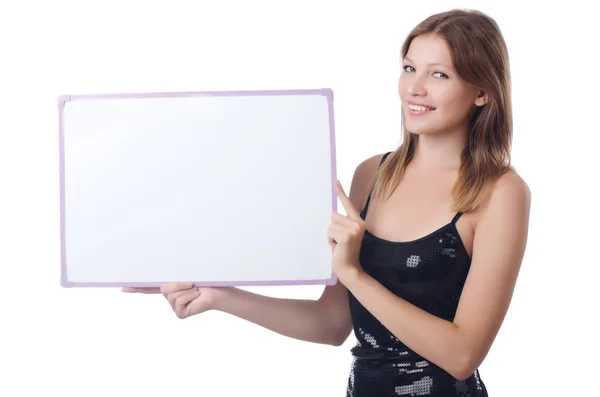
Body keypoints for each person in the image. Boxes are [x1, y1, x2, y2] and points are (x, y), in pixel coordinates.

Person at [123, 8, 531, 396]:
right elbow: (332, 324)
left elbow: (462, 356)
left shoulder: (500, 192)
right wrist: (217, 295)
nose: (415, 88)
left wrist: (354, 274)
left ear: (482, 92)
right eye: (409, 68)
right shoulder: (372, 174)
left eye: (438, 74)